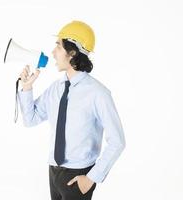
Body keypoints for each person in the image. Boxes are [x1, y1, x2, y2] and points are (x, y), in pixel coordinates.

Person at [17, 20, 126, 200]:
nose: (53, 53)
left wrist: (91, 178)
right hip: (53, 171)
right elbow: (30, 120)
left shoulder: (98, 93)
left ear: (72, 52)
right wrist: (27, 88)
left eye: (58, 46)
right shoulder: (56, 88)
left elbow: (117, 141)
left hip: (79, 175)